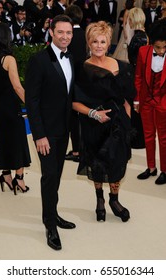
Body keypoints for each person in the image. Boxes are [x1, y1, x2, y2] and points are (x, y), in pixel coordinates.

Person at [73, 21, 135, 223]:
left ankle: (114, 201)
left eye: (103, 42)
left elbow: (126, 100)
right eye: (94, 42)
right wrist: (94, 114)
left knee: (117, 163)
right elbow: (74, 103)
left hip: (117, 125)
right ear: (88, 44)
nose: (99, 45)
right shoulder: (83, 69)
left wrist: (127, 124)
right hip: (94, 125)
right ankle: (99, 200)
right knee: (97, 164)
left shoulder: (121, 66)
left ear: (109, 44)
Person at [25, 15, 76, 251]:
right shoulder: (39, 60)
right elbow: (32, 101)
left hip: (63, 129)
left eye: (69, 33)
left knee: (55, 177)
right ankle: (49, 225)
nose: (65, 36)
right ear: (52, 33)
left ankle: (53, 214)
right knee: (49, 177)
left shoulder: (72, 58)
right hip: (46, 133)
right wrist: (39, 135)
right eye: (61, 32)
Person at [0, 22, 31, 195]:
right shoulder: (8, 59)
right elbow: (17, 87)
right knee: (18, 141)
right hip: (10, 106)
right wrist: (31, 106)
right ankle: (19, 178)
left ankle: (6, 175)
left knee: (3, 140)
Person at [134, 18, 166, 184]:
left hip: (164, 102)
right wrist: (137, 100)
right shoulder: (143, 52)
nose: (161, 51)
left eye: (164, 47)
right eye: (157, 47)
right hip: (146, 101)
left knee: (163, 138)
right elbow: (138, 76)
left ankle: (165, 170)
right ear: (151, 43)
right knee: (147, 135)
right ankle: (151, 167)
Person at [65, 4, 87, 162]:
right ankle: (82, 149)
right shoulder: (85, 34)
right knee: (83, 115)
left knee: (73, 116)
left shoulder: (69, 35)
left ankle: (76, 151)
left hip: (71, 79)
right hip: (84, 79)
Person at [128, 7, 148, 149]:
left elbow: (137, 60)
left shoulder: (138, 37)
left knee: (136, 107)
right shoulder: (143, 35)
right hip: (138, 73)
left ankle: (137, 140)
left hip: (136, 74)